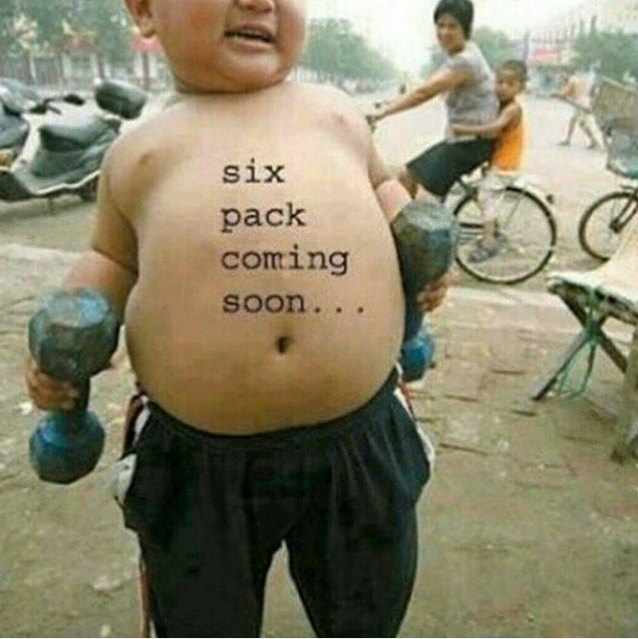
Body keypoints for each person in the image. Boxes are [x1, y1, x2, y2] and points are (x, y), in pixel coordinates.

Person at [24, 0, 451, 636]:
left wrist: (422, 245)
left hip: (360, 440)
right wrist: (60, 345)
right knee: (201, 620)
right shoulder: (138, 153)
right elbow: (109, 261)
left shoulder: (336, 114)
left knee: (368, 610)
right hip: (198, 466)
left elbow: (389, 196)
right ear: (143, 11)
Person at [368, 0, 498, 200]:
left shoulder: (465, 61)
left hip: (470, 145)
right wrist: (387, 104)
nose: (444, 32)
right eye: (440, 25)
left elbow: (425, 92)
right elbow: (425, 86)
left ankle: (422, 219)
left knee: (417, 188)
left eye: (452, 26)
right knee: (408, 177)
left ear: (466, 28)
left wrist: (383, 113)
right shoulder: (463, 54)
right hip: (464, 139)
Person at [452, 59, 527, 262]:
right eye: (499, 82)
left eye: (510, 84)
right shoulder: (501, 105)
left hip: (505, 165)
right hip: (499, 162)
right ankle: (492, 228)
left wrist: (464, 129)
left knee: (486, 198)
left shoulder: (513, 109)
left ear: (520, 88)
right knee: (482, 195)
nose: (503, 87)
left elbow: (494, 128)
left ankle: (488, 243)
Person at [555, 68, 599, 149]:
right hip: (583, 101)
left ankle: (593, 141)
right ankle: (592, 140)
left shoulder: (572, 81)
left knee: (580, 122)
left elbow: (565, 93)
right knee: (577, 122)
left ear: (568, 73)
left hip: (580, 102)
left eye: (563, 75)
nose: (562, 77)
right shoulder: (576, 79)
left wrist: (556, 94)